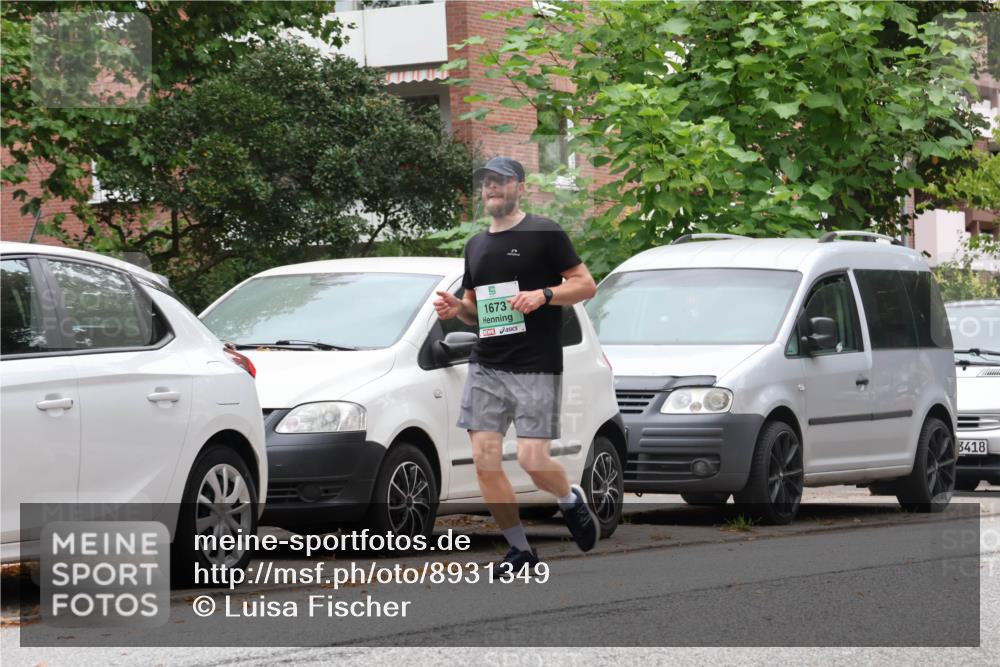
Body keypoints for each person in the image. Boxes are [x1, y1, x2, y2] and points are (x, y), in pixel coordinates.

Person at [433, 156, 600, 570]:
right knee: (485, 461)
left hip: (535, 365)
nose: (492, 188)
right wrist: (458, 309)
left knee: (532, 460)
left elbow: (585, 285)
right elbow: (476, 311)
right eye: (486, 182)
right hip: (487, 364)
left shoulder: (544, 232)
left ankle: (569, 499)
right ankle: (519, 548)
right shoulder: (476, 245)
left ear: (519, 188)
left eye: (501, 181)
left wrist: (543, 295)